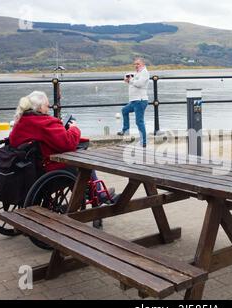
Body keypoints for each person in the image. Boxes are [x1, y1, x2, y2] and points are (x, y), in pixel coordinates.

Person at [9, 91, 115, 227]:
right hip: (49, 169)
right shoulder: (43, 123)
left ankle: (92, 194)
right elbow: (68, 143)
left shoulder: (21, 121)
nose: (48, 110)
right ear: (40, 108)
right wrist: (74, 128)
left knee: (77, 160)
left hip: (29, 169)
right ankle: (98, 197)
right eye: (47, 106)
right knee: (85, 164)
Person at [117, 58, 150, 147]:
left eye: (138, 64)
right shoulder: (138, 73)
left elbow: (139, 84)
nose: (136, 65)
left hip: (140, 100)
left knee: (139, 122)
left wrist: (131, 80)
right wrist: (128, 79)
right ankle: (125, 131)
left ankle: (143, 142)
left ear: (143, 64)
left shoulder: (145, 73)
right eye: (135, 64)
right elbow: (132, 80)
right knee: (124, 110)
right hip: (134, 101)